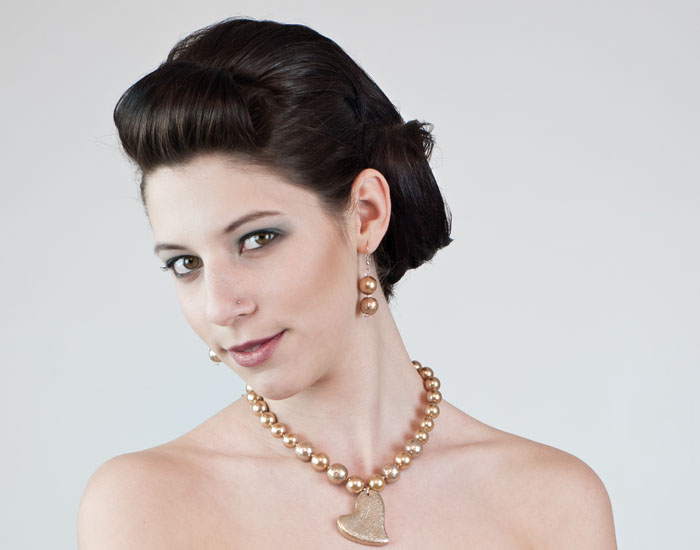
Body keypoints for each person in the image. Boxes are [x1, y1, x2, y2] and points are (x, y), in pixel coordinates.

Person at [78, 17, 617, 549]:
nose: (220, 306)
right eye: (185, 264)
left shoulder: (552, 502)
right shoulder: (143, 506)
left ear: (365, 213)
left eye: (257, 239)